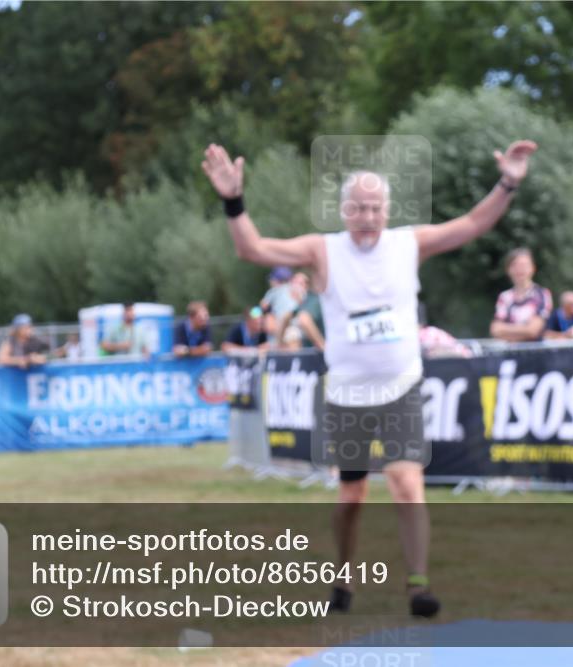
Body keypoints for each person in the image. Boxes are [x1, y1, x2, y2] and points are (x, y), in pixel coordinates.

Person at [202, 136, 537, 618]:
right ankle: (343, 578)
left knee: (406, 484)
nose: (367, 217)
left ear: (387, 210)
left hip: (400, 387)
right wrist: (233, 199)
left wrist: (508, 183)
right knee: (352, 497)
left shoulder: (407, 244)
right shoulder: (323, 251)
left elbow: (471, 224)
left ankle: (418, 584)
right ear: (343, 211)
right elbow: (252, 249)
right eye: (358, 208)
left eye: (375, 208)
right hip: (347, 395)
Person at [489, 248, 552, 342]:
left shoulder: (542, 294)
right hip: (510, 350)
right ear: (508, 269)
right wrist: (524, 330)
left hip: (535, 350)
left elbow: (533, 331)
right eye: (514, 265)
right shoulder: (504, 296)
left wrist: (505, 331)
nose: (519, 269)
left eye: (524, 265)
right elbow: (495, 330)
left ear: (533, 268)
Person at [262, 270, 308, 343]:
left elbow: (263, 306)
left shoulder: (274, 290)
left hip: (285, 328)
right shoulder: (300, 291)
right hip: (294, 328)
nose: (270, 281)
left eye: (272, 279)